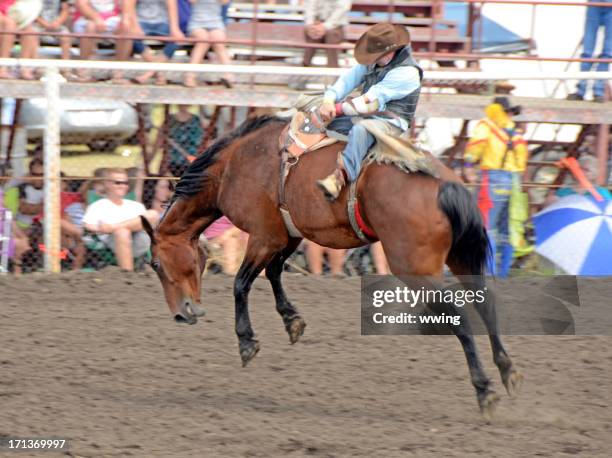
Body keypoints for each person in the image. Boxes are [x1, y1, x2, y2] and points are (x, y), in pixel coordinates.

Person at [315, 23, 423, 201]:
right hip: (366, 115)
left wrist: (334, 108)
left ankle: (339, 178)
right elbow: (346, 81)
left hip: (391, 122)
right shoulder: (374, 62)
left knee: (361, 129)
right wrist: (328, 99)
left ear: (390, 52)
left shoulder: (407, 73)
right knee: (324, 122)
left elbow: (369, 103)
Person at [463, 97, 529, 278]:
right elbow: (522, 161)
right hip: (514, 181)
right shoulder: (516, 132)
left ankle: (488, 273)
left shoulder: (486, 126)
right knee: (508, 228)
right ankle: (503, 274)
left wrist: (468, 166)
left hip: (492, 178)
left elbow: (475, 147)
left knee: (487, 226)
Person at [82, 168, 158, 271]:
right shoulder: (98, 206)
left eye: (125, 183)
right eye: (118, 182)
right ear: (107, 184)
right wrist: (101, 228)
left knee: (153, 213)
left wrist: (112, 227)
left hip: (139, 239)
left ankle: (115, 227)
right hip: (114, 241)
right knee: (122, 232)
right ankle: (128, 276)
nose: (122, 186)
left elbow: (147, 222)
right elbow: (87, 226)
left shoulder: (136, 205)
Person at [123, 0, 184, 85]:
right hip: (141, 21)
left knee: (178, 40)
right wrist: (135, 26)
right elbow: (129, 6)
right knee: (132, 37)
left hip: (162, 22)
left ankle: (149, 73)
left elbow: (172, 7)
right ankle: (159, 72)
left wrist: (174, 28)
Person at [73, 0, 132, 82]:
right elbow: (82, 5)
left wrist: (125, 19)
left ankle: (119, 71)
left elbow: (126, 7)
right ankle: (83, 68)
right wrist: (96, 18)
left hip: (112, 18)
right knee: (91, 26)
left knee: (126, 28)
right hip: (87, 18)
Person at [567, 0, 611, 103]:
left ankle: (598, 92)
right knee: (588, 50)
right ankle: (581, 90)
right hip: (595, 3)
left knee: (607, 52)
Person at [183, 0, 233, 88]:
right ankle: (190, 76)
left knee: (219, 42)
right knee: (203, 41)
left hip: (216, 23)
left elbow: (225, 2)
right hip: (197, 23)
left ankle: (228, 75)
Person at [0, 0, 42, 79]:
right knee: (9, 24)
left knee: (29, 29)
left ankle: (24, 68)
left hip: (13, 12)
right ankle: (3, 68)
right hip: (3, 14)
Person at [302, 0, 350, 68]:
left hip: (335, 26)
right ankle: (305, 66)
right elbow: (309, 8)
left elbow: (340, 11)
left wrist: (324, 27)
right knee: (310, 32)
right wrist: (311, 25)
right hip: (316, 24)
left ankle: (332, 68)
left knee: (331, 34)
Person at [165, 104, 205, 176]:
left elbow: (204, 139)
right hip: (174, 161)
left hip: (192, 161)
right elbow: (160, 139)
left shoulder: (197, 120)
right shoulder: (169, 119)